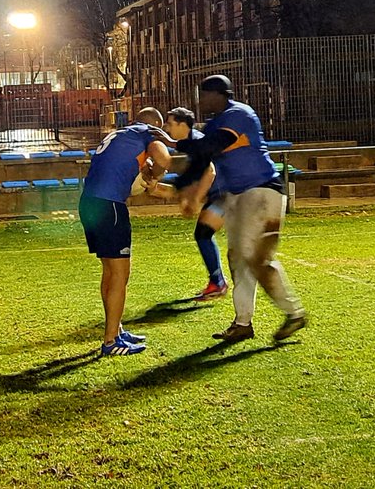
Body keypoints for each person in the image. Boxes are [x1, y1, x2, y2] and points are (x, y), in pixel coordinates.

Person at [172, 75, 306, 343]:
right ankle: (242, 323)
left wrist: (179, 142)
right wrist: (181, 186)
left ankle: (294, 313)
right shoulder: (215, 123)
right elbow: (201, 160)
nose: (202, 100)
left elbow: (211, 147)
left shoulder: (238, 113)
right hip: (238, 195)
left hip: (261, 190)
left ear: (220, 94)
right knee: (239, 259)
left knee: (253, 256)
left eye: (206, 94)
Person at [80, 107, 174, 356]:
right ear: (155, 126)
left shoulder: (121, 135)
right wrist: (154, 175)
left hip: (89, 202)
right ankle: (111, 342)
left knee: (110, 272)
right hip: (110, 205)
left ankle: (116, 328)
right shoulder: (147, 133)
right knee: (120, 275)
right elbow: (165, 159)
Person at [161, 107, 229, 301]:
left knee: (204, 234)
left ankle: (219, 282)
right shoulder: (194, 141)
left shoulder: (198, 141)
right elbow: (193, 175)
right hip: (222, 195)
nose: (167, 128)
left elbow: (210, 171)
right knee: (203, 234)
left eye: (170, 123)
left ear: (183, 125)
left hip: (226, 196)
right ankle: (218, 282)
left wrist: (194, 199)